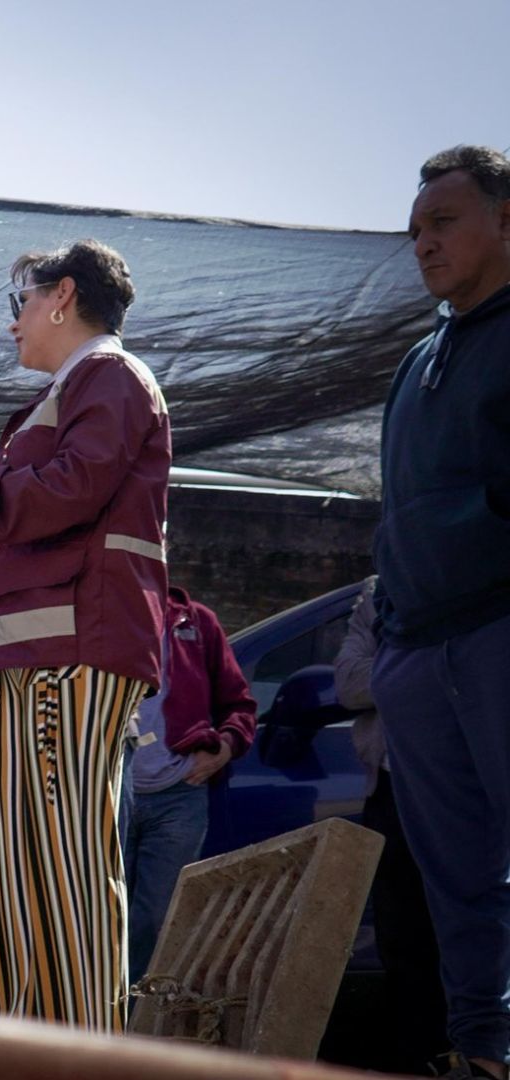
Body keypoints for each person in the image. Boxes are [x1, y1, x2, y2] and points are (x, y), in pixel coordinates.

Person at [0, 239, 169, 1031]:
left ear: (62, 296)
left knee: (66, 873)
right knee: (28, 878)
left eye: (20, 301)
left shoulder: (111, 376)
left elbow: (73, 486)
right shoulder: (77, 388)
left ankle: (87, 1052)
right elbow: (55, 508)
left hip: (75, 654)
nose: (13, 323)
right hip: (42, 656)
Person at [368, 145, 510, 1080]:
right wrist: (390, 635)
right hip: (416, 651)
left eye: (444, 222)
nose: (423, 243)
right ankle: (485, 1053)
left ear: (506, 220)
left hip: (500, 630)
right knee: (456, 879)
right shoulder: (418, 357)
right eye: (415, 230)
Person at [336, 576, 446, 1074]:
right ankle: (415, 1059)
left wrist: (393, 673)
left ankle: (477, 1054)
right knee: (401, 938)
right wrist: (425, 668)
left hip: (465, 789)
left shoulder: (483, 583)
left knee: (472, 929)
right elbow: (348, 683)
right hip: (391, 787)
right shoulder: (380, 594)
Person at [121, 585, 255, 981]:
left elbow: (240, 704)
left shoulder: (195, 621)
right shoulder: (101, 616)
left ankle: (137, 1014)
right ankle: (94, 1010)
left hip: (179, 795)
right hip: (110, 792)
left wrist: (226, 746)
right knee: (102, 915)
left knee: (157, 920)